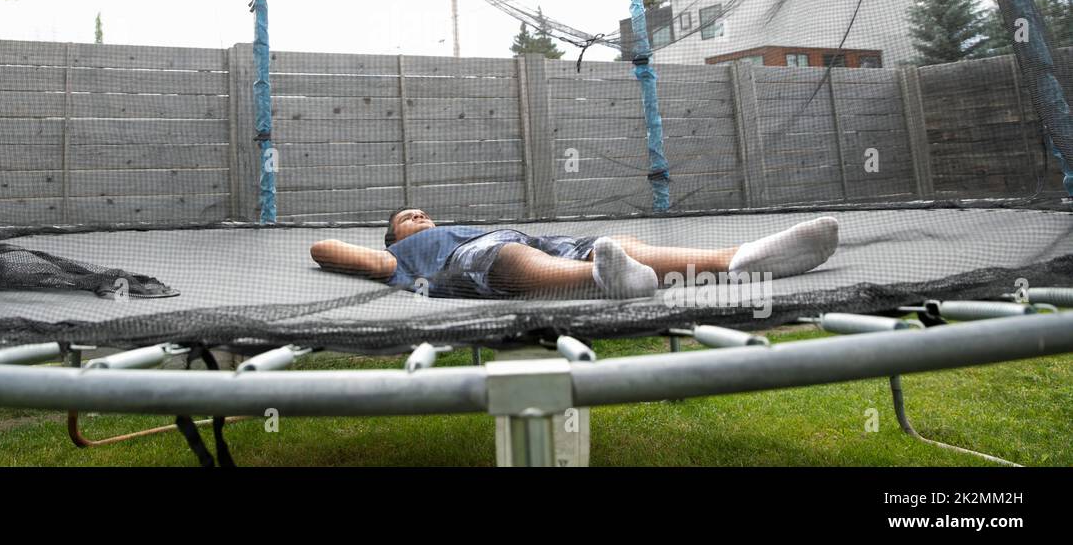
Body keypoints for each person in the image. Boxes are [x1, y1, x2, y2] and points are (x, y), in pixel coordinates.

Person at [310, 208, 840, 299]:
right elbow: (322, 247)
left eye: (423, 213)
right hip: (477, 262)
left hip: (526, 239)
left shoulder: (450, 227)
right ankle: (601, 281)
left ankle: (739, 258)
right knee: (505, 261)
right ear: (394, 237)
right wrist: (384, 250)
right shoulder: (404, 257)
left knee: (620, 243)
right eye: (408, 218)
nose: (420, 217)